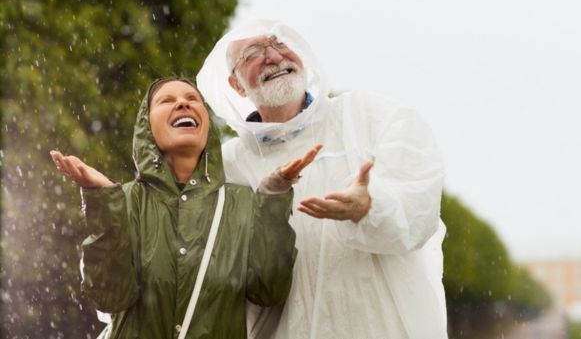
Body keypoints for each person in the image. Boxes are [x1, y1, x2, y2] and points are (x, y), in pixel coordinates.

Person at [197, 20, 449, 339]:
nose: (273, 56)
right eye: (253, 53)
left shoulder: (366, 116)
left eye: (280, 44)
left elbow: (419, 208)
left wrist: (370, 206)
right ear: (236, 85)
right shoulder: (228, 164)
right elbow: (216, 269)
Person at [50, 77, 321, 338]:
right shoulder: (123, 201)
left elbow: (270, 291)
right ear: (147, 127)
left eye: (193, 98)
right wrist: (104, 200)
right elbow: (108, 297)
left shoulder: (244, 205)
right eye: (167, 100)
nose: (183, 103)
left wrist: (274, 200)